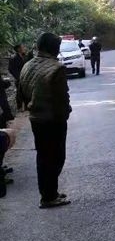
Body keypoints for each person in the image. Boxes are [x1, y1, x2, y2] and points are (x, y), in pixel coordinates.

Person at [19, 32, 72, 209]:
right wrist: (66, 114)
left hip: (36, 119)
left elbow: (22, 94)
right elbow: (61, 99)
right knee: (56, 157)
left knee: (43, 156)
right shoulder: (56, 68)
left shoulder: (26, 66)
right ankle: (49, 197)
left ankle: (49, 193)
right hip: (53, 120)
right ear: (53, 48)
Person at [9, 44, 30, 111]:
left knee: (26, 92)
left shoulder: (25, 56)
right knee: (19, 93)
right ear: (18, 49)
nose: (24, 48)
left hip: (26, 77)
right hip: (19, 78)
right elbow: (11, 69)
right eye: (23, 47)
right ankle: (19, 107)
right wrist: (18, 77)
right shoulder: (14, 58)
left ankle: (27, 107)